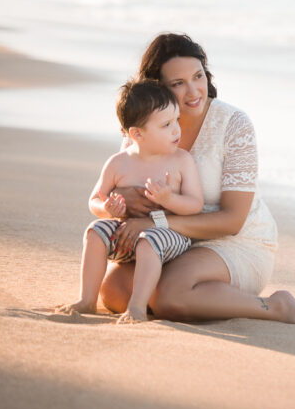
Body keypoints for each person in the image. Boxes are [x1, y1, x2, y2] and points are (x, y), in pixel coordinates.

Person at [99, 33, 295, 325]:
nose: (193, 91)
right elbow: (123, 189)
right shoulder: (146, 126)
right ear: (158, 89)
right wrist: (123, 200)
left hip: (235, 243)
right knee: (114, 292)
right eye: (178, 84)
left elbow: (233, 221)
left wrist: (155, 222)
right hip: (168, 242)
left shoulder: (233, 124)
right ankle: (195, 296)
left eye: (198, 76)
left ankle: (276, 306)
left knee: (170, 296)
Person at [58, 79, 204, 324]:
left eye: (176, 120)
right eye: (166, 125)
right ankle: (87, 299)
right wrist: (107, 208)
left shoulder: (181, 160)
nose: (176, 130)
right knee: (95, 231)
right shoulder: (118, 163)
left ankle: (136, 306)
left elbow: (195, 205)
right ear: (137, 134)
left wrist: (170, 199)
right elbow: (94, 200)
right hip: (125, 235)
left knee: (149, 240)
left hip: (169, 235)